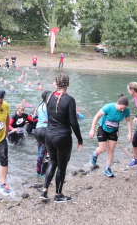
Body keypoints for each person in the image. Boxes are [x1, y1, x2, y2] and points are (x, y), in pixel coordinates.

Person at [40, 74, 83, 203]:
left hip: (49, 135)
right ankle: (58, 195)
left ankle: (44, 191)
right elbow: (74, 122)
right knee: (62, 166)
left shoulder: (48, 97)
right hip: (62, 136)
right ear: (68, 84)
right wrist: (80, 140)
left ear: (55, 83)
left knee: (52, 162)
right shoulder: (69, 99)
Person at [89, 94, 132, 177]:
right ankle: (95, 154)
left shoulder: (126, 110)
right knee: (102, 149)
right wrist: (92, 130)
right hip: (103, 128)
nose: (123, 110)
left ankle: (107, 169)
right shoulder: (108, 107)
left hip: (114, 130)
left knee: (111, 149)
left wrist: (130, 133)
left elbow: (128, 121)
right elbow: (96, 116)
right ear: (117, 103)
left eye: (124, 108)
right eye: (121, 108)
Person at [34, 90, 51, 178]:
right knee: (47, 152)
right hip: (46, 130)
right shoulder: (50, 106)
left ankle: (37, 172)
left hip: (37, 130)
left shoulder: (39, 106)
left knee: (40, 151)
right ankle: (43, 173)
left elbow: (34, 117)